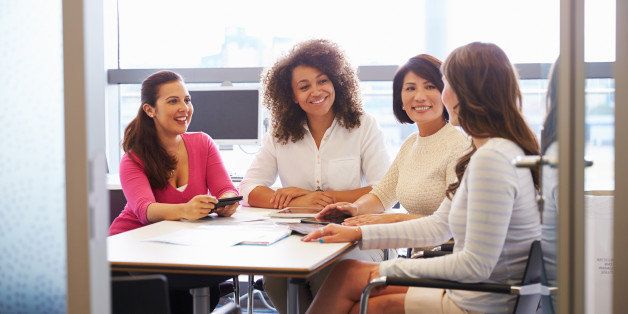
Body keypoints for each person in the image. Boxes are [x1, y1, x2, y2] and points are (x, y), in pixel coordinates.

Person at [303, 42, 542, 314]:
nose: (442, 93)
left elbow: (475, 265)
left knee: (360, 296)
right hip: (474, 291)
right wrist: (358, 232)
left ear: (467, 92)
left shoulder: (492, 159)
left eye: (443, 83)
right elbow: (439, 226)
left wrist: (383, 269)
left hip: (476, 300)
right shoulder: (489, 151)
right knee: (346, 273)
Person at [238, 39, 390, 313]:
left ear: (336, 83)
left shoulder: (363, 125)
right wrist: (290, 202)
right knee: (275, 279)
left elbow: (385, 188)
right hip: (295, 236)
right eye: (304, 86)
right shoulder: (280, 132)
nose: (316, 91)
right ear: (292, 96)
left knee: (327, 275)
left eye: (322, 81)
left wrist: (322, 199)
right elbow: (249, 187)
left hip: (351, 236)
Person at [109, 70, 239, 313]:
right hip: (131, 253)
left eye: (187, 100)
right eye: (173, 101)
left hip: (181, 248)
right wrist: (187, 209)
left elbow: (226, 189)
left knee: (201, 294)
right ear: (150, 110)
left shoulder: (203, 143)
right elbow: (145, 210)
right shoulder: (133, 159)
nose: (184, 108)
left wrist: (228, 202)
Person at [316, 54, 469, 228]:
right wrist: (354, 208)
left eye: (430, 86)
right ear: (401, 100)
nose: (419, 96)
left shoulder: (458, 145)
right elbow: (382, 195)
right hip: (415, 247)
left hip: (444, 250)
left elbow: (453, 220)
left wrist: (391, 219)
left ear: (445, 94)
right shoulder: (411, 144)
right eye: (410, 88)